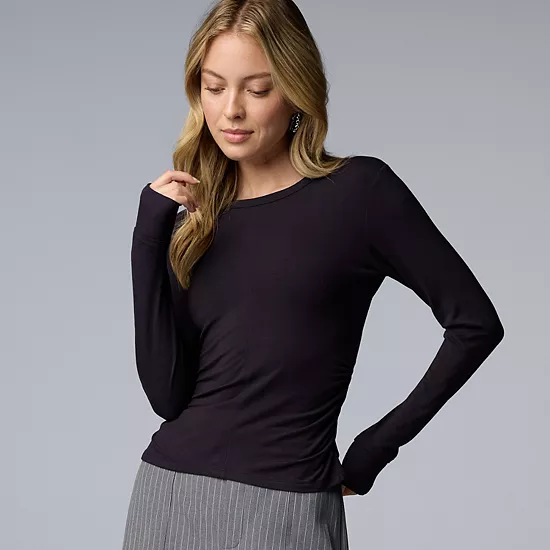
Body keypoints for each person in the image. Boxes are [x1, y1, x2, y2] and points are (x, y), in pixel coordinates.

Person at [122, 0, 505, 548]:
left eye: (257, 90)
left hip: (288, 506)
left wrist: (377, 446)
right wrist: (147, 239)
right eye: (213, 87)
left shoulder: (359, 194)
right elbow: (167, 397)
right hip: (168, 498)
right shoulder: (198, 220)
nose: (231, 110)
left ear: (296, 89)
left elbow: (476, 324)